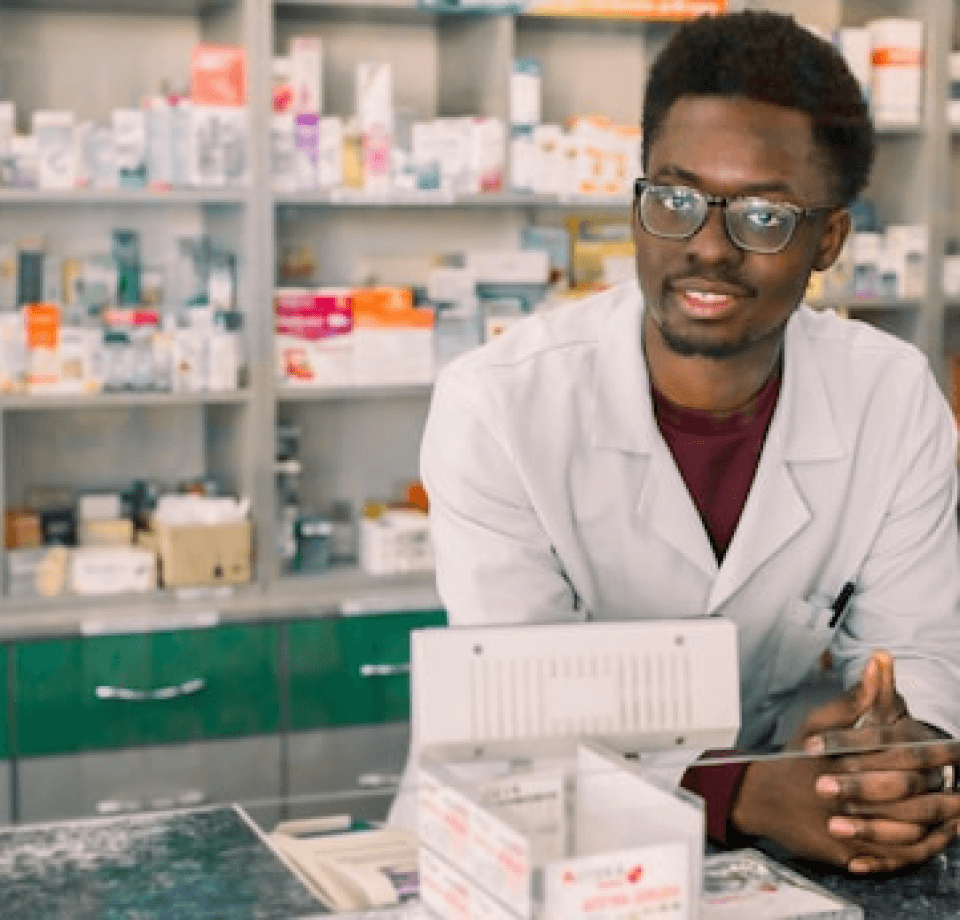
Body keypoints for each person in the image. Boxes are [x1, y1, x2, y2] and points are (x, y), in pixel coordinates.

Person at [402, 10, 960, 873]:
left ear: (831, 240)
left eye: (767, 216)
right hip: (533, 844)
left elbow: (915, 649)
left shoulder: (892, 398)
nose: (707, 247)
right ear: (638, 203)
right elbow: (518, 719)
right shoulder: (499, 407)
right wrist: (739, 794)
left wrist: (888, 751)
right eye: (675, 198)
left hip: (785, 848)